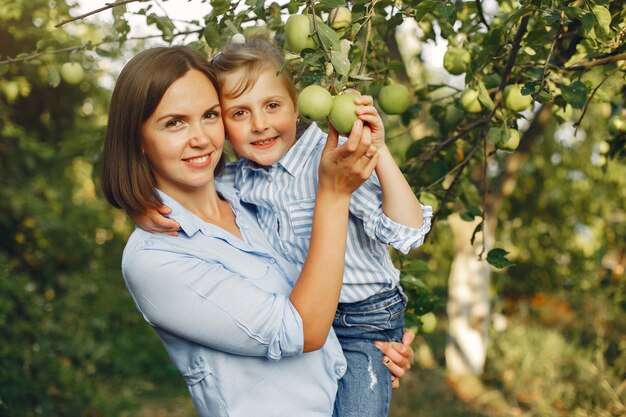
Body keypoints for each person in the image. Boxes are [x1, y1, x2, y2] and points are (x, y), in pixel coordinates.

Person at [101, 45, 412, 417]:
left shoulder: (250, 193)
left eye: (210, 115)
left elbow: (329, 284)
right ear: (137, 138)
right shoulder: (155, 259)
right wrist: (334, 192)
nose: (200, 137)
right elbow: (301, 330)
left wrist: (377, 340)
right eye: (174, 123)